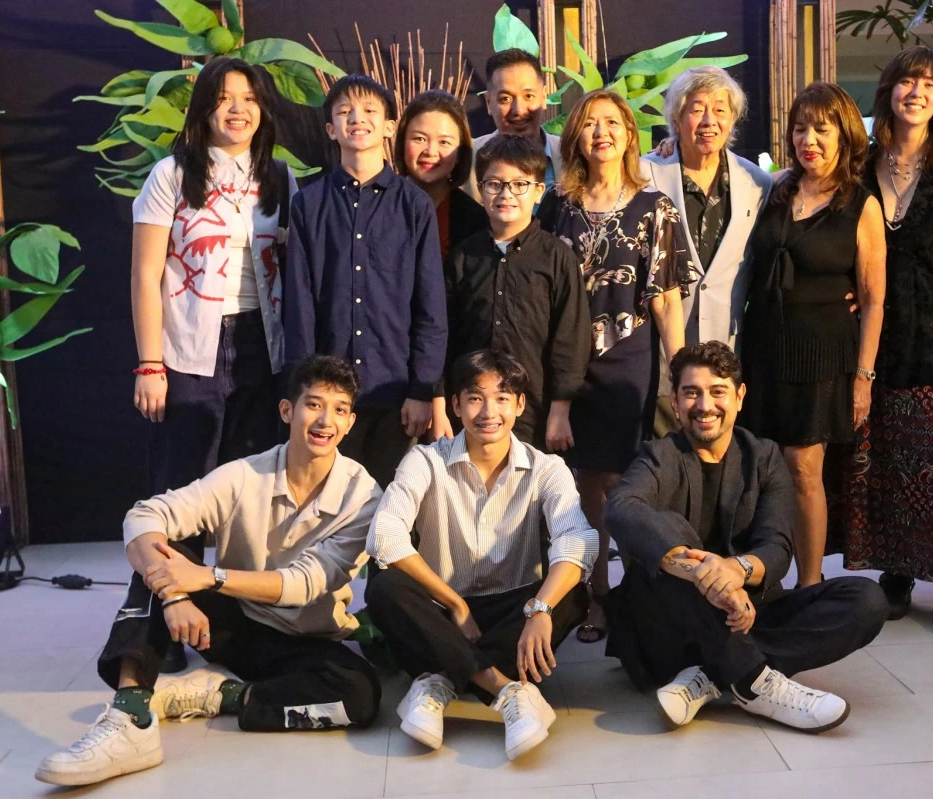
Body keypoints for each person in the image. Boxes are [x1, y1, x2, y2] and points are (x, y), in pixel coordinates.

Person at [35, 356, 382, 787]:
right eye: (313, 404)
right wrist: (174, 593)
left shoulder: (363, 496)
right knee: (165, 550)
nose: (326, 420)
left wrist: (210, 577)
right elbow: (143, 515)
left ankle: (227, 696)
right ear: (287, 410)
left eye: (340, 409)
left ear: (350, 423)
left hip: (304, 639)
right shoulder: (243, 475)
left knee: (360, 698)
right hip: (232, 625)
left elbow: (305, 583)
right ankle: (130, 717)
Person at [604, 341, 887, 732]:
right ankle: (755, 682)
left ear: (739, 396)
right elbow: (620, 507)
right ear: (677, 403)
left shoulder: (764, 457)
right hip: (670, 630)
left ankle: (714, 674)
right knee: (664, 547)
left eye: (717, 391)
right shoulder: (659, 456)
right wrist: (700, 573)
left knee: (866, 599)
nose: (705, 405)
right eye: (692, 393)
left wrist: (736, 571)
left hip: (745, 616)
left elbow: (777, 546)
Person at [130, 56, 296, 671]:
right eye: (225, 98)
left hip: (264, 347)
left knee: (247, 494)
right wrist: (151, 363)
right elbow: (145, 274)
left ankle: (234, 630)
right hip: (189, 348)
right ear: (203, 108)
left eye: (248, 98)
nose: (237, 109)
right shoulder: (171, 174)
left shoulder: (281, 177)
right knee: (180, 492)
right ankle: (159, 633)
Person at [829, 47, 933, 635]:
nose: (917, 92)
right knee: (885, 464)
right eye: (906, 81)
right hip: (873, 342)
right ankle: (896, 572)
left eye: (929, 83)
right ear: (889, 92)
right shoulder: (858, 164)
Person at [365, 349, 597, 761]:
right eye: (475, 398)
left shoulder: (547, 468)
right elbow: (384, 535)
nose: (489, 412)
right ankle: (505, 689)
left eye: (502, 398)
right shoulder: (425, 460)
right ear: (456, 405)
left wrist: (541, 609)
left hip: (513, 609)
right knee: (383, 588)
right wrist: (455, 604)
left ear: (519, 404)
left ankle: (439, 677)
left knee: (574, 593)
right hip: (441, 609)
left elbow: (577, 540)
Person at [539, 88, 694, 643]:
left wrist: (682, 372)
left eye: (612, 123)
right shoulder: (556, 204)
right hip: (567, 361)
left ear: (630, 135)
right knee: (584, 479)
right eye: (590, 123)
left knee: (626, 481)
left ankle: (638, 596)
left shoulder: (655, 207)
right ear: (575, 137)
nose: (601, 132)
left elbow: (667, 300)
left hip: (629, 360)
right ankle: (597, 593)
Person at [741, 82, 887, 588]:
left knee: (804, 468)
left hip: (822, 353)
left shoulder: (861, 205)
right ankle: (763, 579)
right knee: (760, 467)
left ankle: (810, 585)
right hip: (763, 349)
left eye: (822, 130)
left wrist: (864, 376)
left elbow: (873, 300)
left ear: (845, 135)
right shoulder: (777, 189)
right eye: (801, 129)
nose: (809, 140)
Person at [284, 75, 448, 488]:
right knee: (325, 500)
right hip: (328, 396)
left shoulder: (414, 205)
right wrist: (304, 389)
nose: (357, 119)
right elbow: (299, 305)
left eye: (370, 111)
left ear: (390, 126)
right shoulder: (308, 204)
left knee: (388, 503)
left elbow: (430, 306)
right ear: (331, 129)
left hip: (394, 389)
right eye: (345, 112)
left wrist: (422, 390)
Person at [640, 66, 774, 436]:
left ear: (733, 119)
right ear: (677, 118)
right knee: (665, 452)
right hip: (658, 351)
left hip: (726, 350)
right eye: (696, 109)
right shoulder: (645, 174)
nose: (708, 120)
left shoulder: (757, 183)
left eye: (720, 110)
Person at [440, 134, 591, 448]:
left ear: (538, 191)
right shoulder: (464, 256)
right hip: (471, 408)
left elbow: (570, 338)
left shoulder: (556, 257)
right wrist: (440, 401)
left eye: (520, 184)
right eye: (494, 184)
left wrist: (560, 409)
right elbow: (444, 334)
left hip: (534, 410)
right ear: (480, 189)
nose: (506, 194)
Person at [394, 89, 488, 261]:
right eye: (419, 139)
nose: (430, 151)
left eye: (444, 142)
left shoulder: (477, 220)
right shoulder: (379, 206)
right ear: (402, 141)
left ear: (460, 152)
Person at [464, 48, 564, 202]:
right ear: (489, 103)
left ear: (544, 97)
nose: (518, 110)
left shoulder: (570, 155)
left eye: (528, 96)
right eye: (506, 99)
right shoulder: (468, 160)